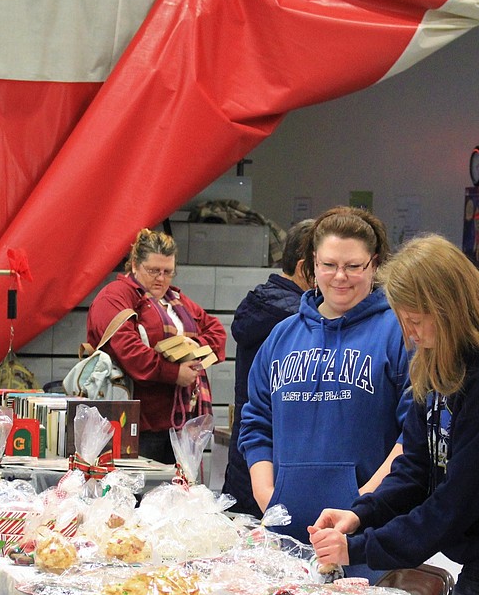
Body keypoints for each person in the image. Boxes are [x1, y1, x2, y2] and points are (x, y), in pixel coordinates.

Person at [308, 234, 479, 595]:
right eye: (405, 322)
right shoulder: (438, 361)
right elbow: (416, 466)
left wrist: (357, 549)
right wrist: (360, 515)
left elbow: (455, 504)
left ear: (450, 311)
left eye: (416, 321)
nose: (412, 335)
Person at [239, 205, 411, 549]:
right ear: (312, 265)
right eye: (328, 265)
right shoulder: (281, 336)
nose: (339, 277)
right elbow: (256, 421)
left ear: (374, 265)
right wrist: (266, 494)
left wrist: (364, 503)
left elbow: (414, 435)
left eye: (353, 266)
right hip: (285, 534)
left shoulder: (400, 333)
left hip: (365, 533)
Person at [86, 228, 227, 465]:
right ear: (134, 265)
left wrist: (189, 348)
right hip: (136, 424)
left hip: (180, 423)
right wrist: (175, 372)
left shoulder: (175, 300)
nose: (161, 278)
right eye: (153, 271)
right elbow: (130, 352)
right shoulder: (115, 297)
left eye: (168, 272)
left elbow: (217, 333)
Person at [224, 219, 315, 516]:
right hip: (272, 466)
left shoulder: (261, 304)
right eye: (327, 265)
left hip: (247, 459)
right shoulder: (296, 322)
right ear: (304, 269)